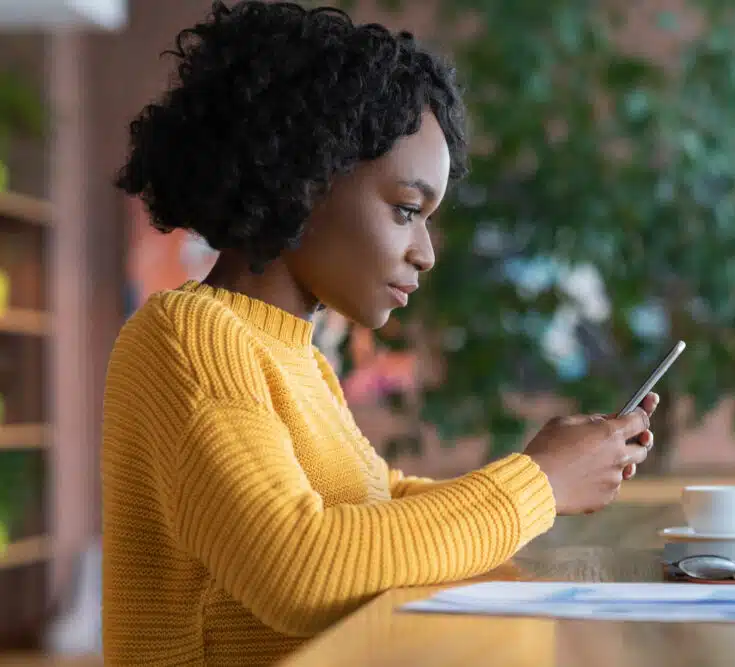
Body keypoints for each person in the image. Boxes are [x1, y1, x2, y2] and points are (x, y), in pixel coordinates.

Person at [101, 2, 658, 665]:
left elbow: (374, 500)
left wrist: (554, 478)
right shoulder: (185, 336)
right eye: (405, 210)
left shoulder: (296, 357)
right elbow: (297, 569)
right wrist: (537, 483)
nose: (425, 251)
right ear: (304, 177)